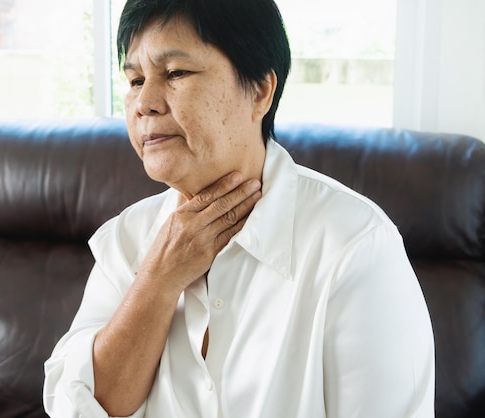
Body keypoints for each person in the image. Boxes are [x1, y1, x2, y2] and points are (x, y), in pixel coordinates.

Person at [43, 0, 435, 416]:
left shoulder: (355, 246)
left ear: (261, 90)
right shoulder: (126, 238)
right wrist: (158, 280)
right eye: (136, 80)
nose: (145, 102)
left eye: (175, 73)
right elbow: (80, 405)